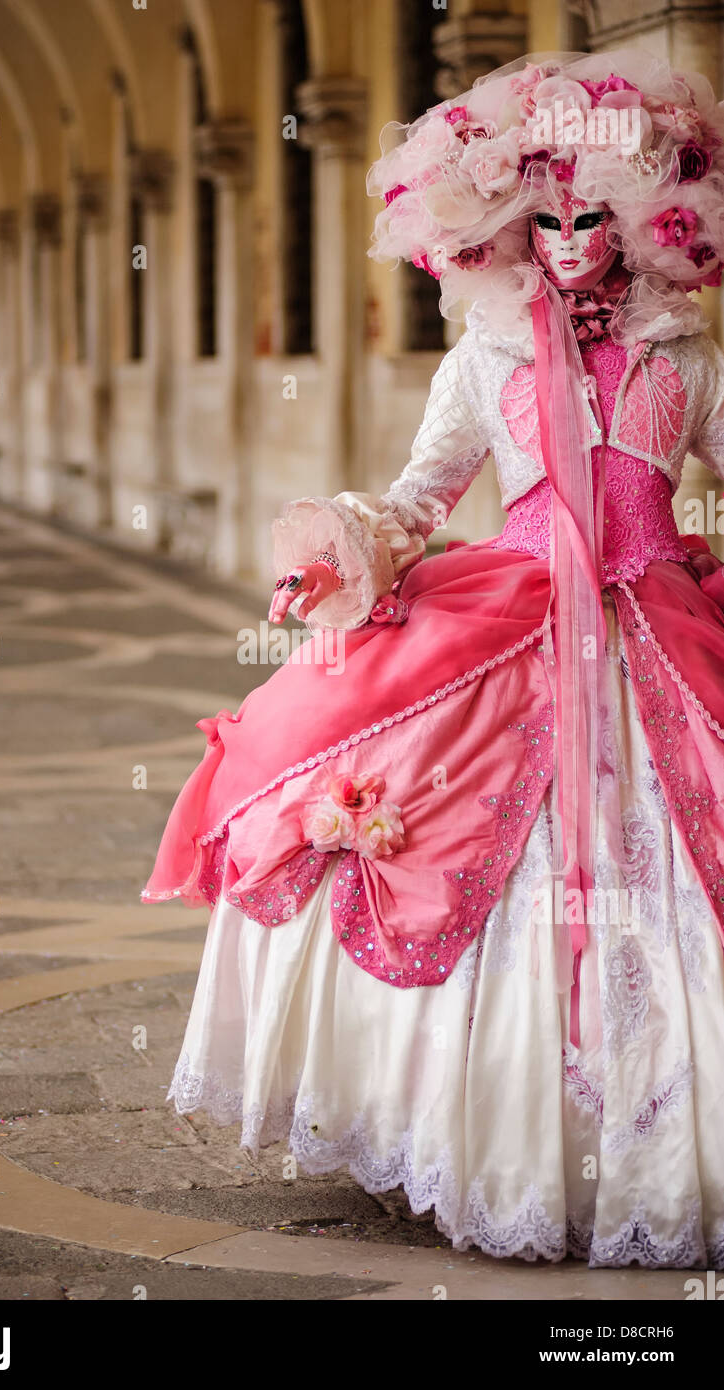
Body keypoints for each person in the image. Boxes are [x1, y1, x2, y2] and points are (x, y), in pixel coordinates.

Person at [142, 49, 724, 1267]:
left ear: (637, 225)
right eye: (547, 219)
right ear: (513, 227)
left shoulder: (688, 362)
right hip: (511, 625)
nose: (570, 243)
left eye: (593, 219)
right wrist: (343, 549)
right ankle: (507, 1142)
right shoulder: (485, 360)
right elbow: (419, 498)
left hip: (661, 631)